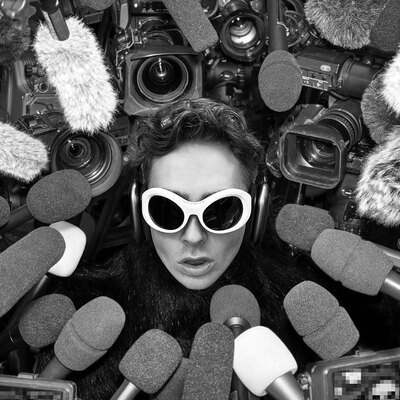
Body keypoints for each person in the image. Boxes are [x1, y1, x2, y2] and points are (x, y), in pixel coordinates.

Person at [34, 98, 400, 400]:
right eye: (167, 210)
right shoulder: (87, 311)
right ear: (139, 210)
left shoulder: (308, 305)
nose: (193, 236)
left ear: (255, 212)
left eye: (221, 210)